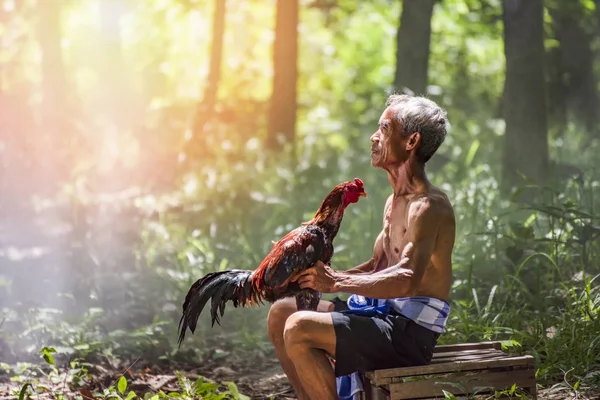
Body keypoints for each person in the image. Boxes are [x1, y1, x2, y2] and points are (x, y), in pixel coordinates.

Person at [266, 94, 456, 400]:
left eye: (384, 128)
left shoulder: (429, 207)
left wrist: (336, 281)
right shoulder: (394, 202)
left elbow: (407, 278)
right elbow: (376, 267)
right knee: (282, 312)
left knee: (300, 326)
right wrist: (317, 277)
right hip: (380, 317)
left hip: (407, 334)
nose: (374, 136)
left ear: (412, 141)